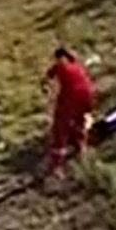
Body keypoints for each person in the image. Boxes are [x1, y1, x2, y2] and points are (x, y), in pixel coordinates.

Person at [44, 47, 96, 177]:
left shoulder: (61, 66)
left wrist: (46, 86)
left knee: (60, 129)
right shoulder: (77, 65)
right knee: (79, 120)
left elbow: (49, 76)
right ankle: (81, 147)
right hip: (88, 94)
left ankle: (57, 166)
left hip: (71, 96)